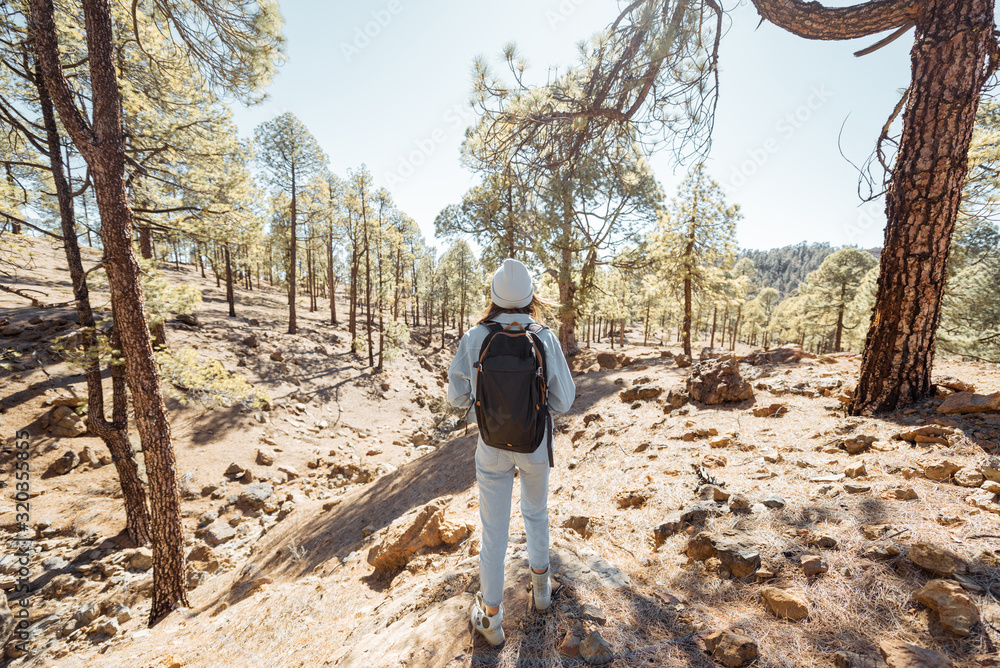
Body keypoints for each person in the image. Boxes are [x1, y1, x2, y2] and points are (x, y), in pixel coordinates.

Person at [447, 258, 576, 646]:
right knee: (535, 513)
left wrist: (482, 408)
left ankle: (491, 618)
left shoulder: (475, 336)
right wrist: (536, 407)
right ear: (531, 296)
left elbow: (456, 397)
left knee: (493, 533)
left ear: (494, 296)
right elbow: (565, 400)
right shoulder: (544, 336)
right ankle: (540, 592)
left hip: (490, 446)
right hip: (534, 443)